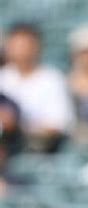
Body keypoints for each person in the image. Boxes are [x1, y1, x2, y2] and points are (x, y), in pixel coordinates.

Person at [0, 24, 75, 152]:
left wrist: (17, 126)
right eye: (17, 46)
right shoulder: (2, 77)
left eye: (25, 46)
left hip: (42, 149)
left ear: (36, 47)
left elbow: (58, 124)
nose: (21, 51)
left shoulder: (52, 78)